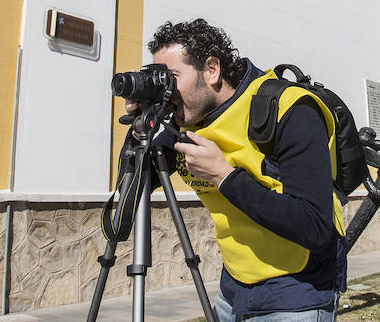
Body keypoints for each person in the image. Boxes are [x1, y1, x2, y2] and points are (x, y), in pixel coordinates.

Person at [124, 18, 346, 321]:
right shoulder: (188, 119)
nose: (167, 90)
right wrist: (139, 130)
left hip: (296, 291)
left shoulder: (289, 109)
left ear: (212, 69)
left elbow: (316, 228)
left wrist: (224, 176)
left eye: (172, 77)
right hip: (233, 289)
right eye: (159, 78)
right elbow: (130, 191)